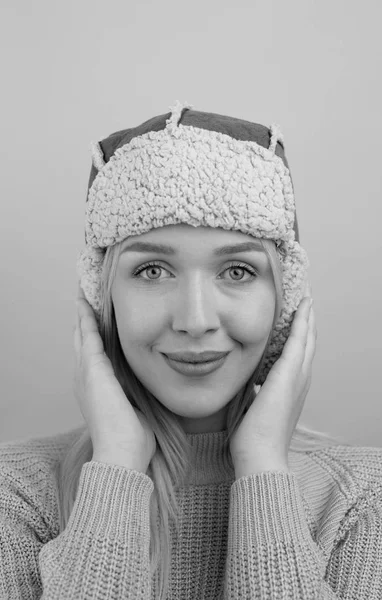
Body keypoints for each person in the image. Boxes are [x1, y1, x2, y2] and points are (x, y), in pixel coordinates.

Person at [1, 101, 382, 600]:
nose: (195, 321)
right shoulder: (16, 496)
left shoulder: (362, 499)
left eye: (238, 271)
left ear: (284, 300)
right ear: (101, 297)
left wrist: (263, 467)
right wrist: (115, 465)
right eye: (152, 271)